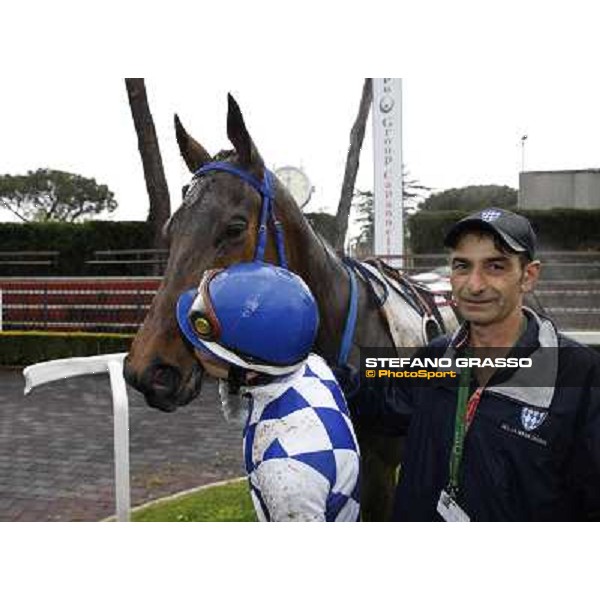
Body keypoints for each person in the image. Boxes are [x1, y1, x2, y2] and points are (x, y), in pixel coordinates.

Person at [350, 207, 600, 521]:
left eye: (495, 266)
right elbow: (373, 389)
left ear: (528, 276)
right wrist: (305, 366)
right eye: (462, 266)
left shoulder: (581, 375)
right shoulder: (435, 357)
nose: (474, 284)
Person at [176, 261, 360, 522]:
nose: (195, 351)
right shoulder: (309, 366)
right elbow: (245, 415)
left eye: (204, 347)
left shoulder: (285, 469)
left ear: (248, 371)